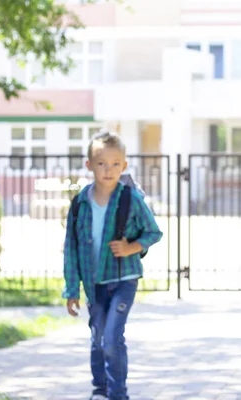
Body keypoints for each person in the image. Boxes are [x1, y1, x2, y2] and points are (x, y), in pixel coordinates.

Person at [63, 132, 163, 400]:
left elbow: (153, 232)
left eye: (115, 164)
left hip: (123, 280)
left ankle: (118, 394)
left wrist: (131, 247)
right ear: (89, 166)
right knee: (98, 339)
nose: (108, 170)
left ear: (124, 166)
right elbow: (71, 249)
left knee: (111, 338)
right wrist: (72, 289)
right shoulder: (80, 204)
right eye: (101, 163)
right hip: (93, 284)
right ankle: (100, 390)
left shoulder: (131, 199)